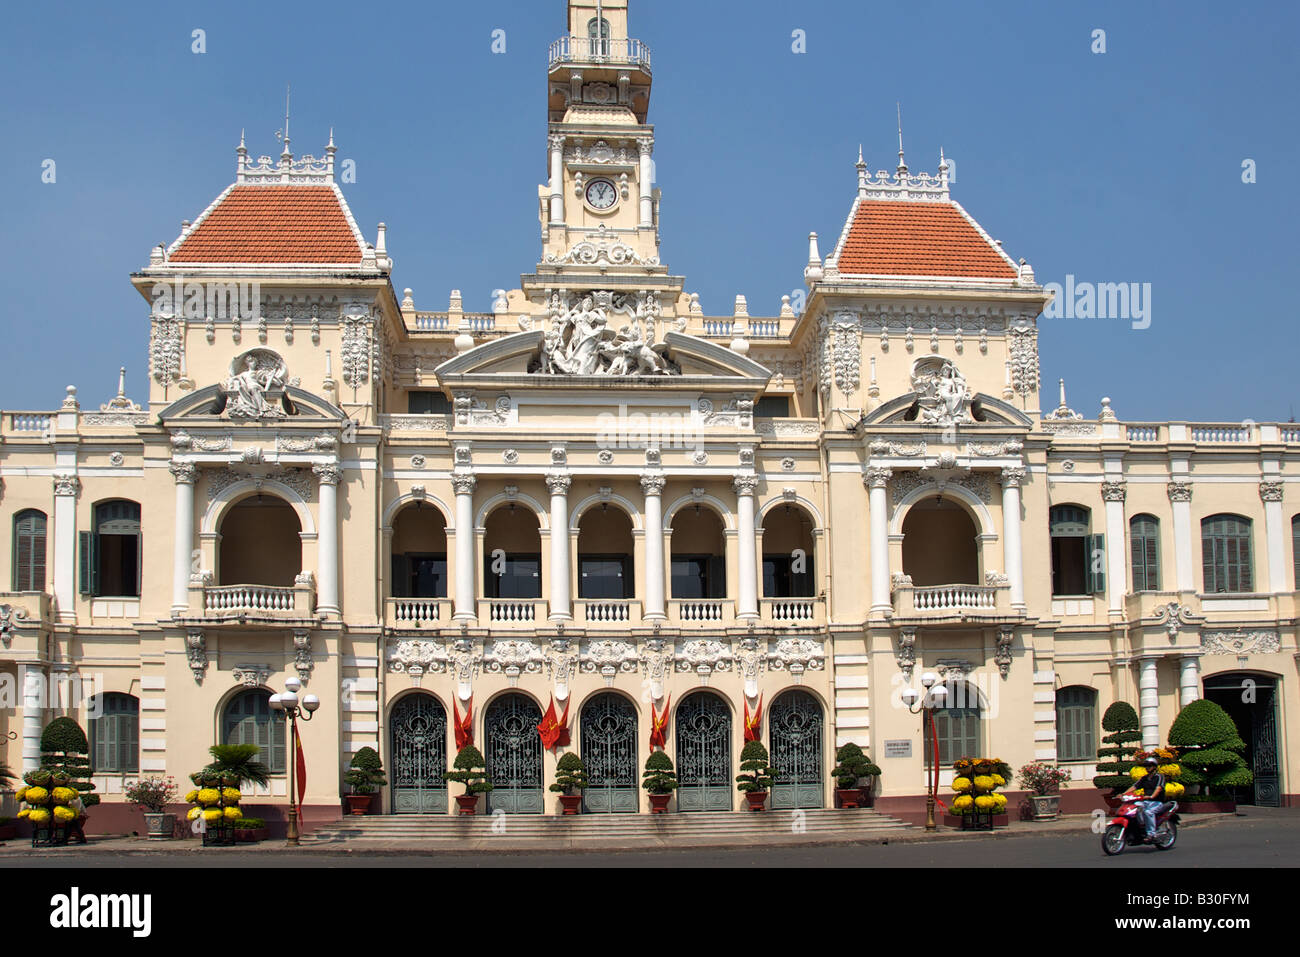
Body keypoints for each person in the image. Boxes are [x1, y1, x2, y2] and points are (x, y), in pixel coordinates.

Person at [1127, 756, 1166, 842]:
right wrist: (1123, 794)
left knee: (1148, 812)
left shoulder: (1159, 777)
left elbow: (1158, 788)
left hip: (1157, 802)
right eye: (1146, 766)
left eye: (1149, 766)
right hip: (1145, 801)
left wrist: (1152, 796)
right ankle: (1140, 826)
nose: (1147, 768)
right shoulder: (1144, 778)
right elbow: (1134, 786)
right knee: (1134, 807)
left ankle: (1151, 834)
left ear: (1154, 767)